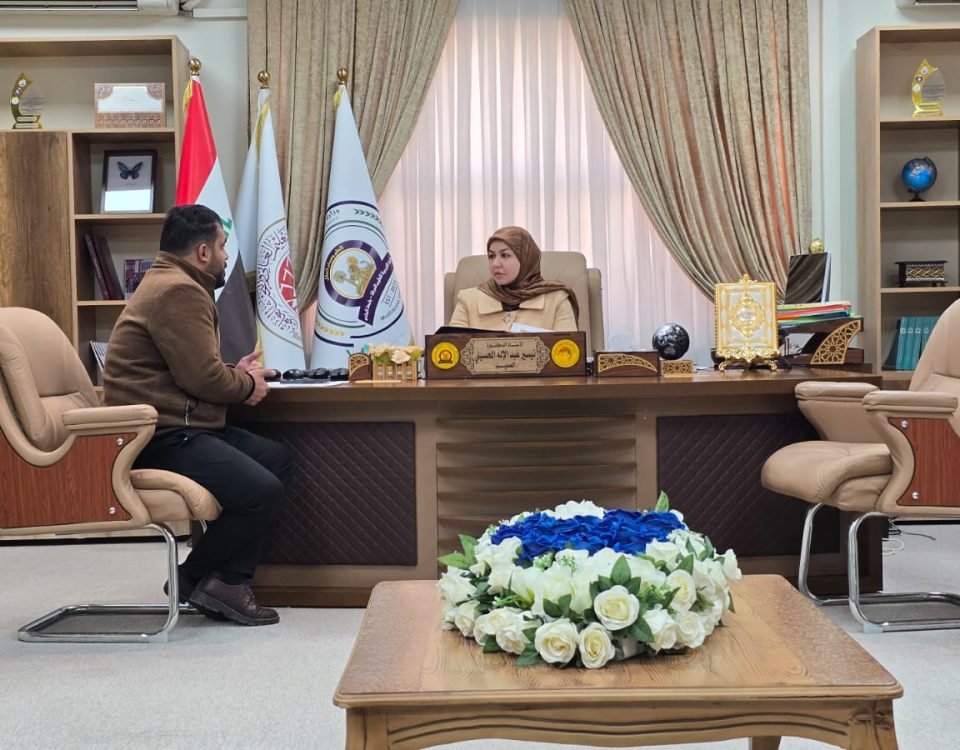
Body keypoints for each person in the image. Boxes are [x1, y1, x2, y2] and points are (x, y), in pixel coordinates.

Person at [103, 204, 291, 627]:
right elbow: (203, 378)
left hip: (179, 425)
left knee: (275, 459)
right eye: (222, 247)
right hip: (157, 435)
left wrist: (234, 372)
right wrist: (246, 385)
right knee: (261, 490)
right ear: (203, 252)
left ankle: (220, 581)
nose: (226, 256)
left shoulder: (170, 282)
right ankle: (197, 579)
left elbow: (188, 370)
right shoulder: (179, 291)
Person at [448, 226, 579, 331]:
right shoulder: (468, 300)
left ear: (526, 259)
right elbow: (453, 349)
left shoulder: (556, 300)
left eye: (505, 255)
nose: (495, 264)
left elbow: (568, 351)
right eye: (492, 256)